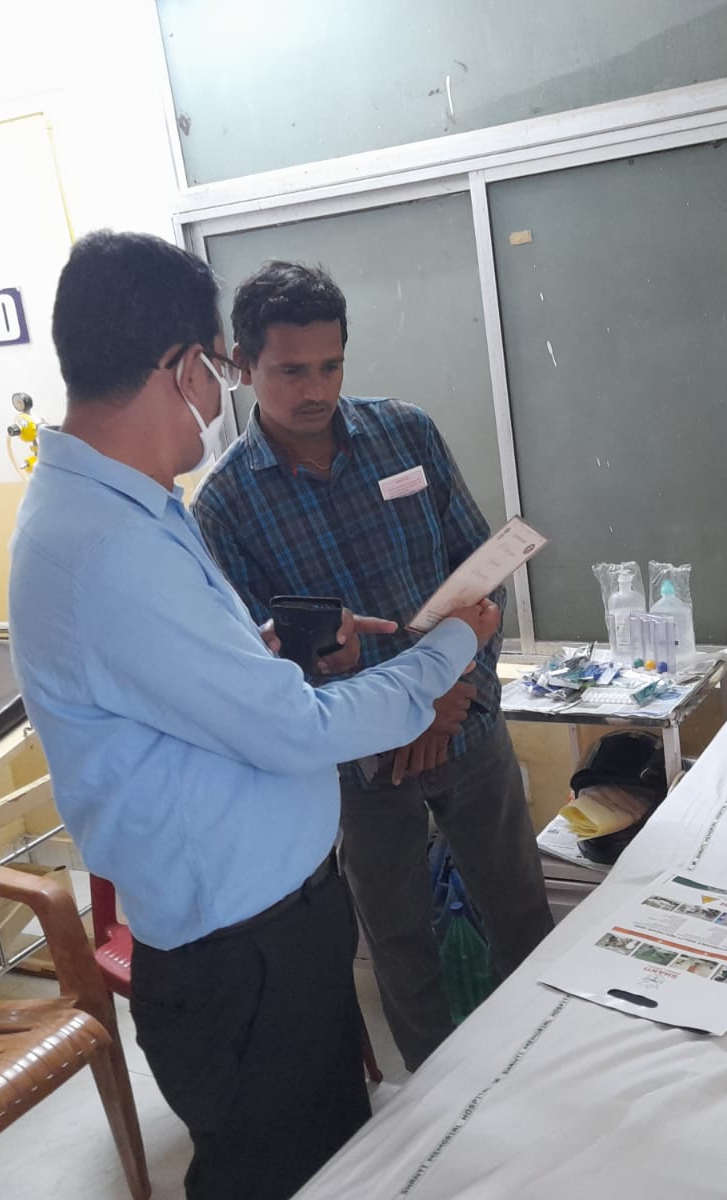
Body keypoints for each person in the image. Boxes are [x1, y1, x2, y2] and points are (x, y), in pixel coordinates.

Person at [7, 231, 502, 1200]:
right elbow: (294, 730)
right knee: (276, 1173)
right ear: (183, 367)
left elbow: (198, 695)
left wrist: (268, 654)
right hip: (238, 959)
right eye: (222, 371)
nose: (219, 395)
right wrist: (447, 650)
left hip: (278, 926)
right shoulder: (108, 546)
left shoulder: (131, 511)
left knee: (330, 1159)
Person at [192, 261, 554, 1070]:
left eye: (332, 366)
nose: (316, 390)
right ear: (243, 366)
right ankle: (440, 1100)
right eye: (291, 371)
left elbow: (482, 575)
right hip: (361, 769)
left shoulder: (406, 433)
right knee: (398, 946)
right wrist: (396, 716)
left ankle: (548, 1074)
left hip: (467, 730)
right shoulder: (224, 507)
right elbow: (263, 670)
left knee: (522, 917)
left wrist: (453, 694)